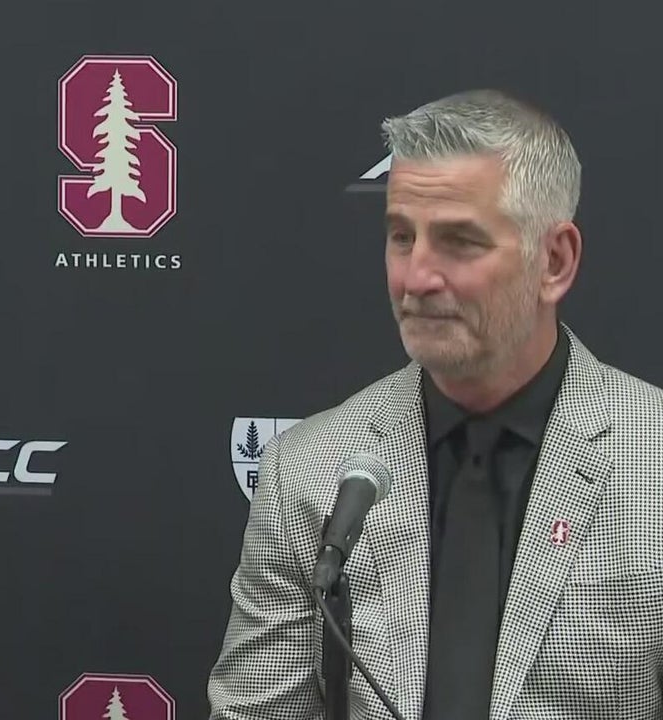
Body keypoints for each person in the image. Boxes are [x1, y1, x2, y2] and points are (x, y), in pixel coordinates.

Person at [207, 89, 663, 719]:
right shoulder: (308, 470)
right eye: (402, 237)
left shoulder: (652, 460)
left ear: (554, 262)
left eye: (459, 242)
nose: (415, 278)